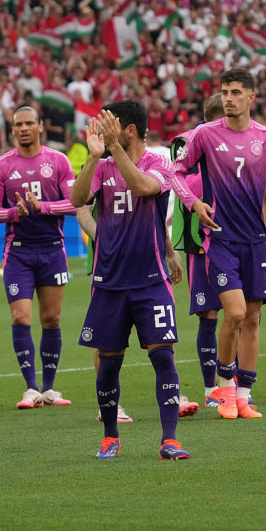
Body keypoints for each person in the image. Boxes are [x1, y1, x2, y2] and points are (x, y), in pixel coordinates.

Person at [172, 68, 266, 419]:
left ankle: (243, 396)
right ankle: (224, 390)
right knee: (236, 313)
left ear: (251, 97)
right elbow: (176, 173)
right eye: (225, 92)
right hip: (221, 238)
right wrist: (194, 204)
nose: (228, 98)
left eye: (236, 92)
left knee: (254, 319)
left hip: (256, 240)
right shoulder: (205, 135)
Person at [70, 101, 191, 460]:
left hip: (150, 281)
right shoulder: (102, 165)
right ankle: (110, 437)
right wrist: (93, 158)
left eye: (109, 125)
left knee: (163, 356)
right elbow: (77, 200)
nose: (101, 131)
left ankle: (170, 440)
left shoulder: (159, 163)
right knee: (108, 362)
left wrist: (169, 253)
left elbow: (142, 189)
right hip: (109, 282)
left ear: (130, 130)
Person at [0, 106, 77, 409]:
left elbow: (76, 203)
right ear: (12, 130)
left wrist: (44, 207)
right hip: (19, 251)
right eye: (17, 124)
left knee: (51, 318)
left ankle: (50, 389)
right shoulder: (1, 166)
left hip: (53, 248)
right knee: (20, 316)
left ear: (41, 127)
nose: (23, 128)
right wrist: (16, 212)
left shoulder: (59, 161)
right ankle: (31, 388)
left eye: (29, 123)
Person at [170, 93, 224, 407]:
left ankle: (234, 384)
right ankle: (209, 389)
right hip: (198, 238)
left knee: (238, 312)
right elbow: (181, 185)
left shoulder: (242, 140)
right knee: (209, 313)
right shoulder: (185, 142)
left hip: (235, 237)